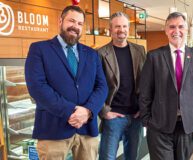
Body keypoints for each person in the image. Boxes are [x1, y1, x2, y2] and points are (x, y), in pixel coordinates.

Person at [25, 5, 108, 160]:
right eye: (71, 21)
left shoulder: (92, 54)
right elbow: (37, 87)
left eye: (80, 24)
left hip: (87, 129)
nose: (75, 27)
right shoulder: (39, 49)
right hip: (53, 130)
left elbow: (102, 86)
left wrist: (88, 111)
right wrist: (71, 111)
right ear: (60, 21)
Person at [139, 12, 193, 160]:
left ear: (187, 30)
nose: (176, 31)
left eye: (180, 27)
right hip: (159, 126)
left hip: (187, 126)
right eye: (172, 27)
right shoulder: (154, 56)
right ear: (166, 30)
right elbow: (145, 91)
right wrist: (146, 120)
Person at [97, 12, 146, 160]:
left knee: (132, 157)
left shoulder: (140, 51)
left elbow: (147, 83)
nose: (121, 30)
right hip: (113, 117)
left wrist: (143, 108)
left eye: (124, 26)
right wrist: (104, 111)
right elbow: (94, 86)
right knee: (107, 157)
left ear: (128, 28)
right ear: (110, 29)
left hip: (135, 116)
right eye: (117, 26)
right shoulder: (100, 53)